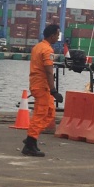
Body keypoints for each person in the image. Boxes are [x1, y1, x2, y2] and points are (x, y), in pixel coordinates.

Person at [22, 23, 63, 157]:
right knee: (40, 114)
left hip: (38, 84)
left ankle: (31, 138)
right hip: (42, 86)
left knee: (50, 113)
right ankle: (30, 144)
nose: (58, 37)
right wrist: (54, 90)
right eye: (57, 35)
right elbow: (49, 71)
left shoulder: (37, 47)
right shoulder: (47, 50)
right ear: (52, 36)